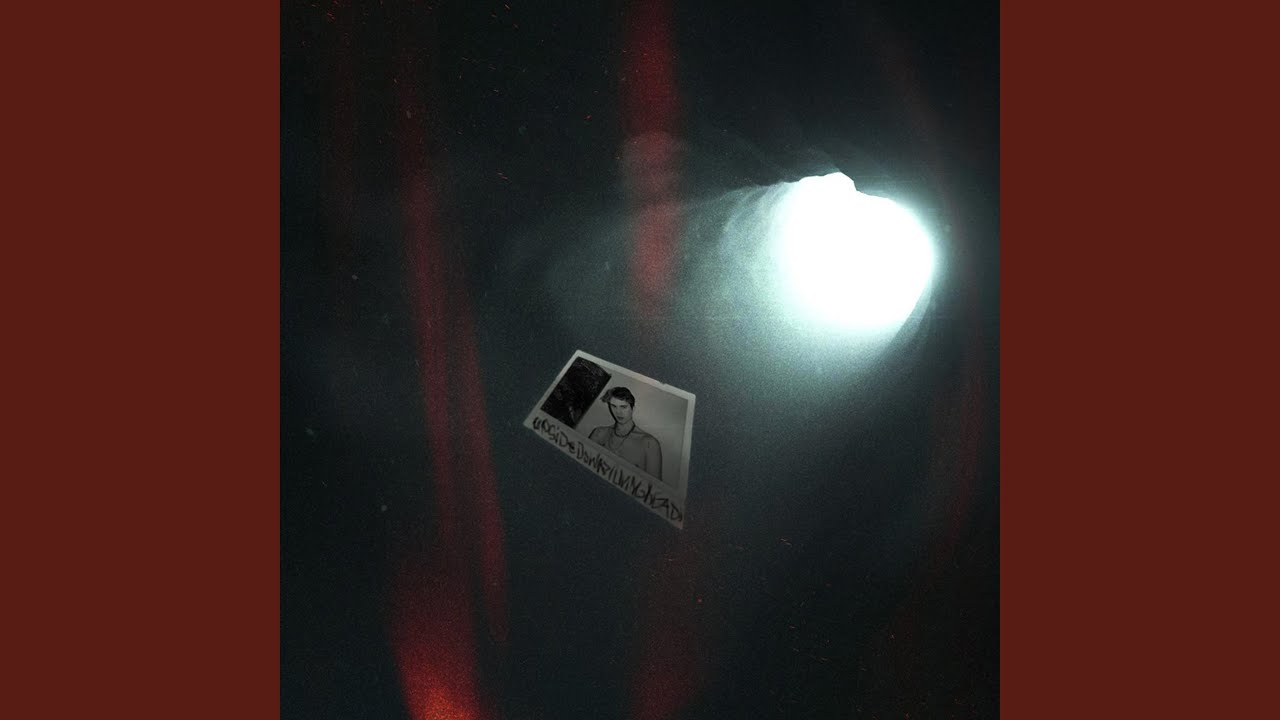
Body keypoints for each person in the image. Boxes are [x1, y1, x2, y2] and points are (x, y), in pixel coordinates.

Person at [588, 387, 664, 483]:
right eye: (613, 406)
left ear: (633, 408)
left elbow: (655, 487)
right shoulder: (599, 433)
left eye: (623, 407)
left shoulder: (649, 443)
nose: (618, 412)